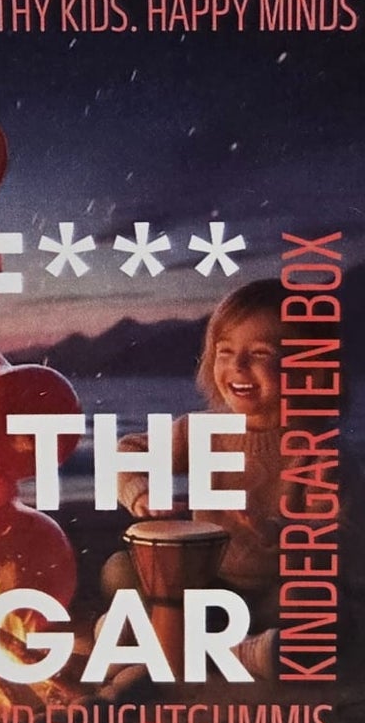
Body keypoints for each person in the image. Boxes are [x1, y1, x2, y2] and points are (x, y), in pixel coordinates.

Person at [99, 278, 286, 682]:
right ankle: (223, 649)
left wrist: (278, 532)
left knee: (320, 606)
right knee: (120, 570)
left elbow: (340, 536)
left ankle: (206, 648)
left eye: (260, 353)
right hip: (204, 587)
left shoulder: (318, 452)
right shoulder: (200, 430)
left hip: (273, 592)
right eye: (225, 352)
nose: (237, 367)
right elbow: (125, 451)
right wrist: (142, 495)